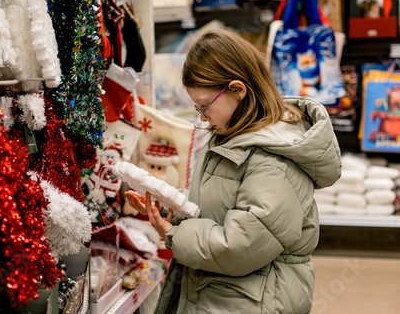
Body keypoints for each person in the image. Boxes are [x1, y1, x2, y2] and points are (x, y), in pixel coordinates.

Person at [125, 28, 341, 313]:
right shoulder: (234, 137)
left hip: (253, 301)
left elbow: (242, 244)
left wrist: (174, 235)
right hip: (226, 295)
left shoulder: (273, 157)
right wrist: (171, 205)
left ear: (238, 90)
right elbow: (221, 205)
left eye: (205, 106)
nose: (203, 117)